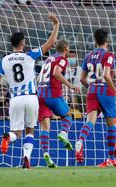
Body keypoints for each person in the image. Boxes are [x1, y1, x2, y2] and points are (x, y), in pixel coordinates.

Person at [0, 12, 60, 169]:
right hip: (31, 98)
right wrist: (56, 24)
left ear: (12, 44)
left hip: (15, 99)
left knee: (16, 133)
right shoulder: (30, 56)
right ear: (23, 43)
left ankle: (8, 137)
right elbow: (51, 43)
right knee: (30, 130)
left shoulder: (4, 61)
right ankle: (26, 158)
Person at [75, 29, 116, 167]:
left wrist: (90, 87)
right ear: (107, 41)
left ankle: (80, 140)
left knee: (91, 122)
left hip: (91, 90)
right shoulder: (108, 55)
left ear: (95, 41)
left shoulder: (88, 55)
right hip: (105, 91)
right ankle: (111, 158)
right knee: (111, 125)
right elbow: (107, 75)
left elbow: (82, 78)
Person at [37, 40, 80, 168]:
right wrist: (70, 85)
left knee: (45, 128)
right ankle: (63, 132)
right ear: (66, 48)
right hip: (53, 94)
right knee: (68, 115)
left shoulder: (49, 58)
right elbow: (56, 72)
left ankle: (46, 154)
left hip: (40, 94)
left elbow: (41, 76)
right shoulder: (62, 59)